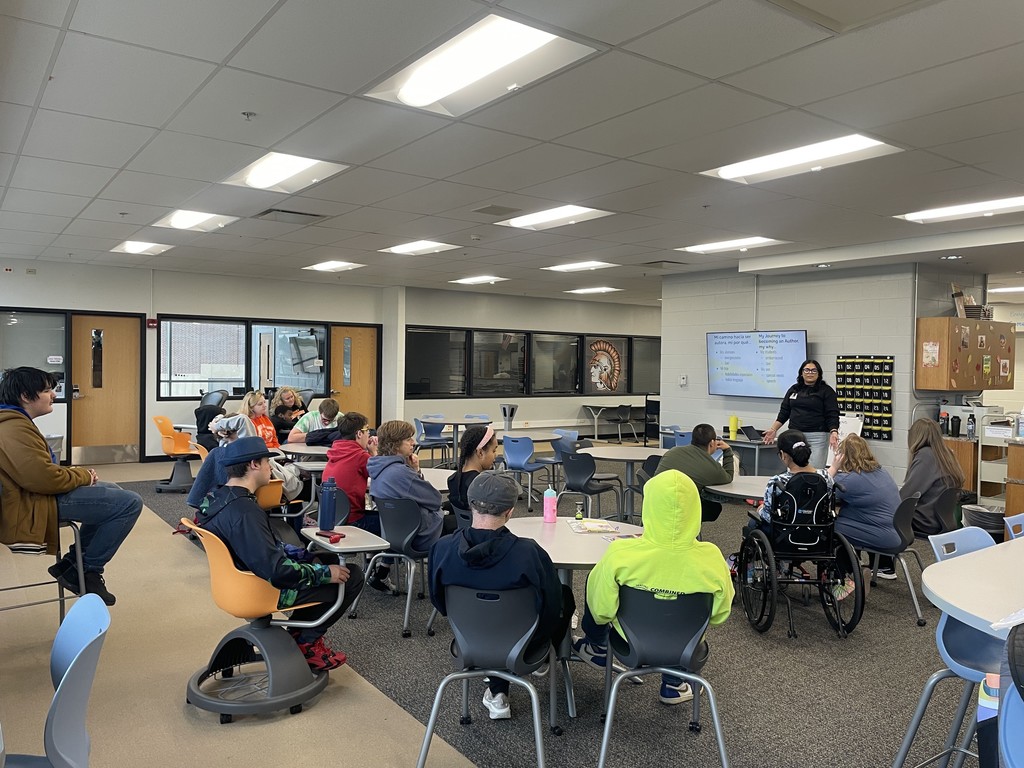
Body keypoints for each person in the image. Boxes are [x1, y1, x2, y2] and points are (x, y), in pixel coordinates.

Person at [196, 436, 363, 672]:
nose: (271, 468)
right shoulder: (247, 513)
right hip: (262, 589)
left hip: (238, 580)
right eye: (268, 463)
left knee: (324, 559)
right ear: (254, 465)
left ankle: (299, 633)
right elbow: (277, 571)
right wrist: (326, 574)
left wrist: (306, 557)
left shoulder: (216, 498)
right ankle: (306, 641)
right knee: (351, 575)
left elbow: (261, 548)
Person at [572, 469, 733, 705]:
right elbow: (719, 616)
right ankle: (674, 684)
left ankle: (596, 646)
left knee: (596, 582)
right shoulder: (712, 558)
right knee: (682, 625)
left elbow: (601, 610)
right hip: (685, 648)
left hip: (629, 645)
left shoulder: (621, 554)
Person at [429, 471, 575, 720]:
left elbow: (439, 600)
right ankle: (546, 659)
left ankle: (498, 690)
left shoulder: (442, 549)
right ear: (510, 512)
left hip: (469, 640)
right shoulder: (529, 554)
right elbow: (551, 608)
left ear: (470, 504)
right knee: (564, 596)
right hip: (523, 646)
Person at [0, 367, 142, 606]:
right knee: (129, 503)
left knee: (114, 490)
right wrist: (82, 476)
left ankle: (73, 563)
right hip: (29, 503)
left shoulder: (14, 422)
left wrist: (76, 475)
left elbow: (39, 471)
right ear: (25, 396)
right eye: (47, 390)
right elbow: (43, 478)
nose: (53, 395)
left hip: (30, 495)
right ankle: (86, 569)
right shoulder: (13, 427)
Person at [366, 420, 445, 591]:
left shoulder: (377, 468)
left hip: (392, 535)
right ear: (395, 444)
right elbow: (435, 499)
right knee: (455, 523)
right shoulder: (401, 473)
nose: (413, 442)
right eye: (408, 439)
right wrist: (416, 471)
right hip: (418, 537)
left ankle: (383, 571)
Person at [827, 433, 902, 554]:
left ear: (843, 457)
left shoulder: (850, 480)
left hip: (884, 535)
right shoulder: (881, 471)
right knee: (846, 514)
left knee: (829, 527)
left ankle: (847, 565)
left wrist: (834, 468)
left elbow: (820, 489)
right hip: (897, 530)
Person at [762, 359, 840, 470]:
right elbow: (784, 411)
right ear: (801, 373)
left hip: (817, 437)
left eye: (814, 370)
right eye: (807, 370)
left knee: (815, 469)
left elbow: (832, 413)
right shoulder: (794, 389)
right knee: (794, 468)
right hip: (795, 435)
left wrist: (834, 431)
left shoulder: (826, 391)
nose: (810, 373)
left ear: (819, 374)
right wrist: (773, 429)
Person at [752, 429, 833, 530]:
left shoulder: (778, 481)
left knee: (753, 522)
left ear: (783, 455)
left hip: (785, 532)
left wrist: (760, 510)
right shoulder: (826, 477)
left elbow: (768, 516)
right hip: (817, 531)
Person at [655, 423, 734, 521]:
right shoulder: (710, 466)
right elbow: (728, 477)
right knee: (714, 508)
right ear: (712, 443)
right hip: (678, 509)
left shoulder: (672, 451)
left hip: (654, 503)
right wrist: (727, 450)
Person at [902, 418, 965, 540]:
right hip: (941, 520)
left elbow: (907, 494)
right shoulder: (947, 454)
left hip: (925, 522)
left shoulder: (925, 456)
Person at [321, 412, 378, 532]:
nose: (369, 434)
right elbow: (380, 476)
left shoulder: (336, 450)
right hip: (354, 521)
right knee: (393, 522)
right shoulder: (360, 456)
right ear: (359, 433)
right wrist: (374, 453)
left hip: (333, 519)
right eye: (367, 430)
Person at [447, 424, 499, 511]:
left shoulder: (453, 479)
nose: (496, 455)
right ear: (480, 453)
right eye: (493, 450)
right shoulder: (482, 485)